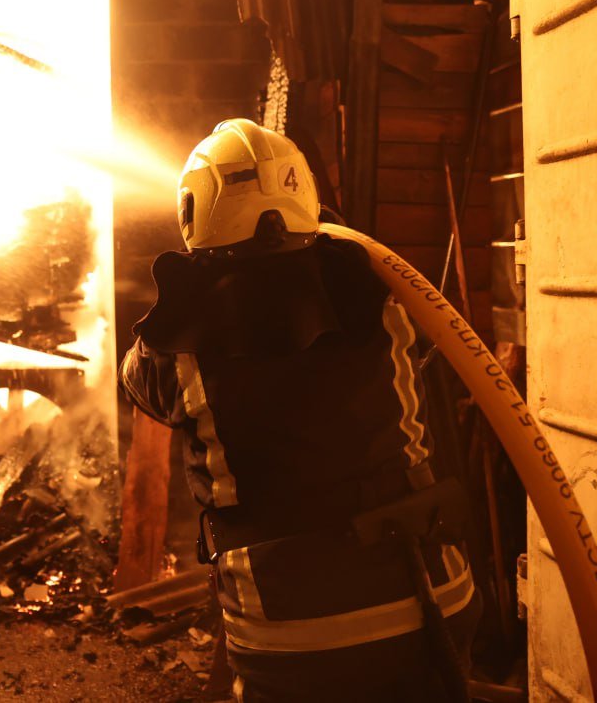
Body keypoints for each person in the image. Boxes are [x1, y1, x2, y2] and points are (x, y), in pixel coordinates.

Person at [119, 120, 480, 703]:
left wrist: (190, 287)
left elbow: (137, 385)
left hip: (292, 631)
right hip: (435, 595)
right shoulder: (380, 290)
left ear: (193, 210)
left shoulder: (174, 346)